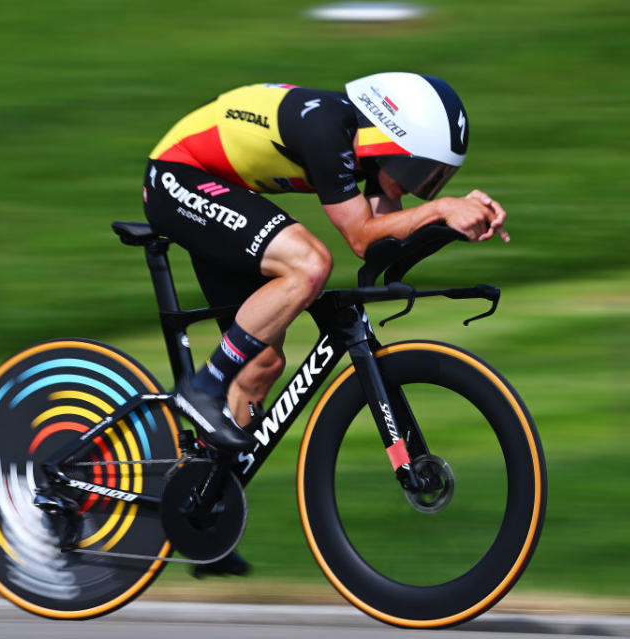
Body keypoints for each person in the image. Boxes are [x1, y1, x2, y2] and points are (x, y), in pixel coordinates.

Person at [142, 73, 509, 572]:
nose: (424, 187)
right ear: (394, 139)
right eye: (424, 171)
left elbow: (384, 251)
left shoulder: (362, 153)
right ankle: (204, 385)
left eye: (435, 180)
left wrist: (450, 226)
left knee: (264, 361)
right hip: (178, 176)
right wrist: (443, 209)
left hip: (220, 188)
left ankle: (204, 508)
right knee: (310, 264)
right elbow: (361, 237)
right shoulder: (328, 130)